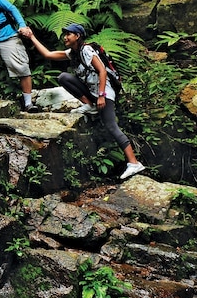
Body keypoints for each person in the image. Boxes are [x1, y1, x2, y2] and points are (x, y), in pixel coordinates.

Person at [24, 23, 146, 180]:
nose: (65, 37)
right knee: (63, 77)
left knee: (111, 125)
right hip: (92, 93)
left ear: (78, 36)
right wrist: (32, 37)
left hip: (104, 92)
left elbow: (102, 70)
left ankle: (134, 163)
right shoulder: (73, 53)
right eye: (65, 34)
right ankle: (89, 104)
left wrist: (101, 95)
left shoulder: (86, 50)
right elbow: (48, 54)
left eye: (68, 34)